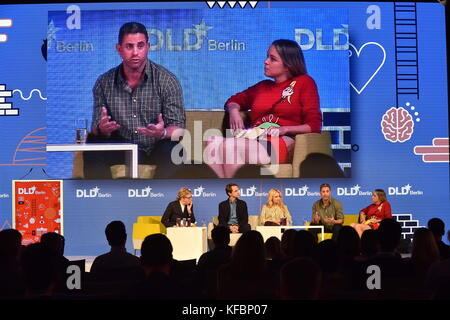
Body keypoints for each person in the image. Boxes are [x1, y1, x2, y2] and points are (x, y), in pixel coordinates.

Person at [205, 39, 321, 178]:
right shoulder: (262, 87)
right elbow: (233, 101)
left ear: (288, 64)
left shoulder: (304, 82)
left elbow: (314, 126)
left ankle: (236, 193)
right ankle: (225, 195)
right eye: (267, 57)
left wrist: (285, 129)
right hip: (254, 138)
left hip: (280, 140)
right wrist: (234, 112)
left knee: (228, 146)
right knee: (212, 142)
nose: (266, 62)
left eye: (272, 59)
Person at [83, 22, 185, 179]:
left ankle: (163, 199)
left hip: (155, 147)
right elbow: (96, 129)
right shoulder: (104, 82)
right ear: (119, 49)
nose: (135, 52)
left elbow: (179, 131)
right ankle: (100, 197)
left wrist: (162, 132)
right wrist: (103, 129)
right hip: (121, 147)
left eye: (140, 46)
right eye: (129, 46)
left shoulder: (167, 80)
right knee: (92, 144)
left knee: (174, 150)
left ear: (148, 47)